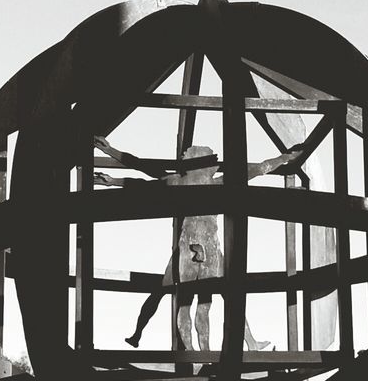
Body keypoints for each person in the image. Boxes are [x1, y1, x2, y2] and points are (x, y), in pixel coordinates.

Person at [94, 137, 303, 351]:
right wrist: (285, 157)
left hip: (188, 247)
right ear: (208, 166)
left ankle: (159, 341)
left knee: (171, 296)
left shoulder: (178, 182)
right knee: (216, 300)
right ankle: (240, 344)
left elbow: (142, 175)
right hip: (208, 248)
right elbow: (260, 169)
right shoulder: (217, 183)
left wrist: (112, 168)